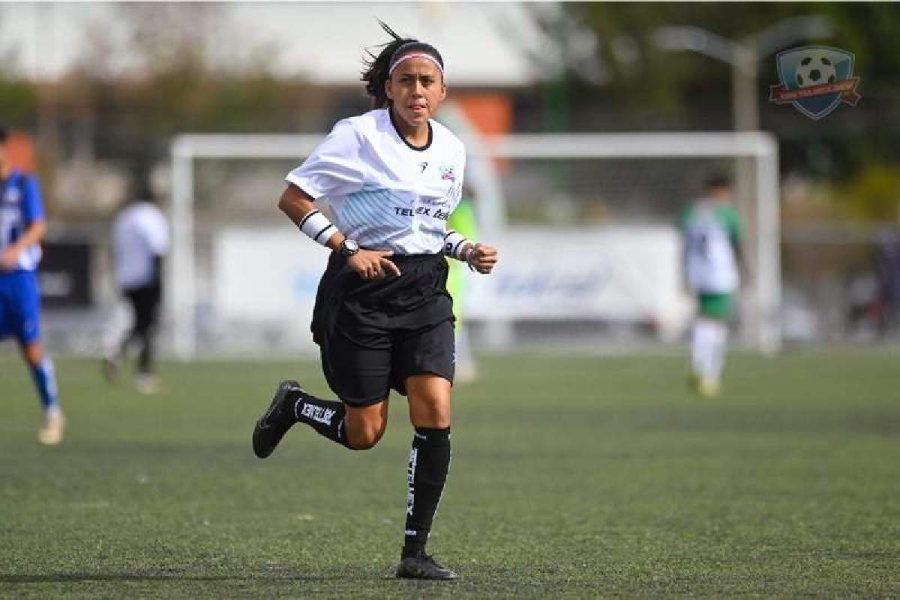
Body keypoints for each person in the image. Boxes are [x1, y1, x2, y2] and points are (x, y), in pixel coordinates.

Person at [251, 23, 498, 581]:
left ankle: (415, 553)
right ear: (388, 87)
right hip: (362, 291)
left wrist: (467, 250)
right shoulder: (357, 136)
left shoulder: (453, 151)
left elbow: (433, 229)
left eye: (427, 81)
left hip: (425, 291)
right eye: (406, 79)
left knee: (435, 411)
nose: (416, 90)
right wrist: (346, 247)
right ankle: (294, 405)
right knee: (364, 434)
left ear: (441, 92)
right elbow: (293, 198)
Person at [0, 125, 64, 444]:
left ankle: (52, 411)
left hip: (19, 279)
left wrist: (16, 249)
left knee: (31, 348)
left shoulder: (24, 184)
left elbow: (38, 225)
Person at [103, 175, 169, 394]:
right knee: (148, 325)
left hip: (126, 277)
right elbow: (158, 249)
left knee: (140, 323)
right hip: (146, 277)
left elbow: (115, 249)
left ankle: (119, 352)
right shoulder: (151, 217)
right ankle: (145, 374)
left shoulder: (124, 217)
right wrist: (159, 280)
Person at [681, 173, 744, 397]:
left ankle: (700, 364)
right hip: (719, 275)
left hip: (698, 274)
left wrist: (685, 275)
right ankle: (708, 373)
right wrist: (747, 269)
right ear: (720, 191)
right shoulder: (726, 214)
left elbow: (685, 244)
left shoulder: (691, 212)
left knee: (705, 319)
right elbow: (737, 244)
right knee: (716, 323)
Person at [445, 194, 479, 383]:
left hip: (455, 266)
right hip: (453, 266)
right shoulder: (460, 209)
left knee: (453, 317)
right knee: (452, 318)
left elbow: (467, 237)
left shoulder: (462, 210)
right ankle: (460, 364)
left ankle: (460, 364)